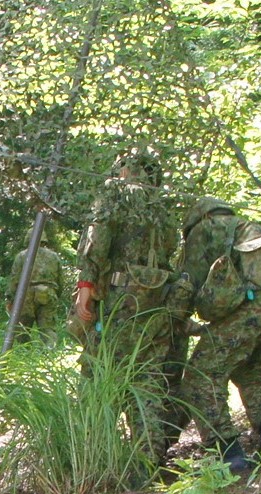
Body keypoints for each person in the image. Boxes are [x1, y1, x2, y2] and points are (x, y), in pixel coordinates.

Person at [177, 197, 261, 471]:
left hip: (260, 301)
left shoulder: (207, 228)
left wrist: (175, 317)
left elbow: (188, 281)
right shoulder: (251, 226)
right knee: (250, 370)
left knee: (200, 374)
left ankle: (230, 453)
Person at [74, 149, 180, 470]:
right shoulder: (162, 207)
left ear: (122, 170)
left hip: (119, 301)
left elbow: (97, 241)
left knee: (98, 372)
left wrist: (85, 290)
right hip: (155, 301)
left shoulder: (115, 195)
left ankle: (93, 452)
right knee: (146, 376)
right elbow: (171, 250)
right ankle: (149, 457)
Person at [5, 228, 64, 346]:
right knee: (48, 329)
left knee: (22, 329)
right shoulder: (54, 257)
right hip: (48, 293)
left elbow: (14, 280)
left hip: (26, 295)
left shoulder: (21, 256)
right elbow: (60, 280)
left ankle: (25, 354)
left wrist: (10, 298)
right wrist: (55, 294)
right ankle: (50, 355)